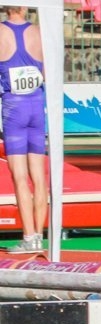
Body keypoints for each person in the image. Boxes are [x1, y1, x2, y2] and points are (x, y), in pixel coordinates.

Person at [0, 5, 48, 254]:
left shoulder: (1, 32)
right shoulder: (40, 32)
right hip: (36, 104)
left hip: (14, 106)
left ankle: (29, 236)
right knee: (38, 176)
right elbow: (46, 73)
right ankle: (38, 235)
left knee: (19, 176)